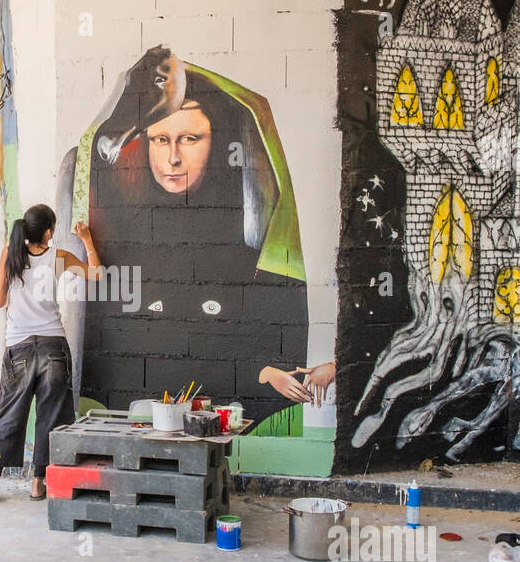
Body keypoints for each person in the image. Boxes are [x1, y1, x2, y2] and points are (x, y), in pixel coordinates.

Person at [56, 45, 335, 424]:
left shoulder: (249, 258)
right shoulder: (122, 246)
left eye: (189, 139)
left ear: (216, 143)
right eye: (160, 139)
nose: (173, 157)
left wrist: (265, 372)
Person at [0, 203, 101, 502]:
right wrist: (86, 240)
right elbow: (95, 274)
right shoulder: (59, 257)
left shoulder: (10, 254)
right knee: (50, 416)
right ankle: (37, 484)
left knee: (8, 416)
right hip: (52, 346)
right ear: (48, 232)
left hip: (18, 346)